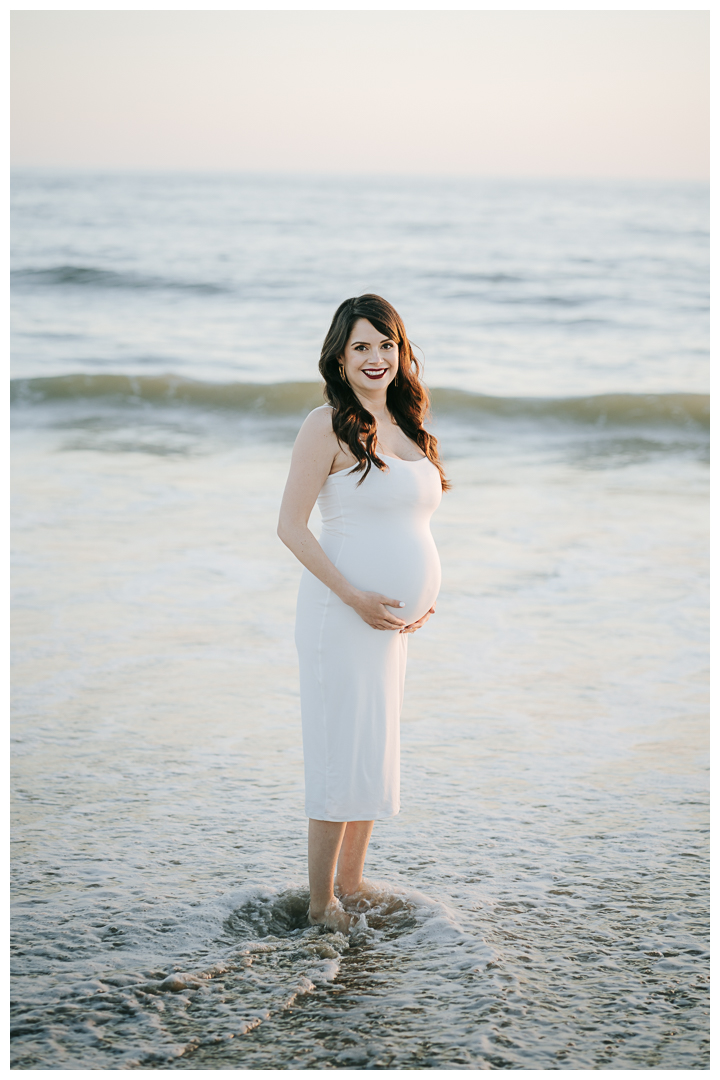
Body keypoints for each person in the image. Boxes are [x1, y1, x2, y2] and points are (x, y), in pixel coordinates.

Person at [277, 294, 450, 933]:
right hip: (340, 615)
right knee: (337, 748)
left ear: (401, 351)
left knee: (373, 747)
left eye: (386, 345)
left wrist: (420, 597)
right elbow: (290, 527)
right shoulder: (326, 424)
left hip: (390, 624)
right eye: (361, 347)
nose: (376, 358)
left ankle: (352, 879)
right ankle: (322, 901)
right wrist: (353, 596)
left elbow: (406, 523)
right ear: (340, 357)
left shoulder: (406, 424)